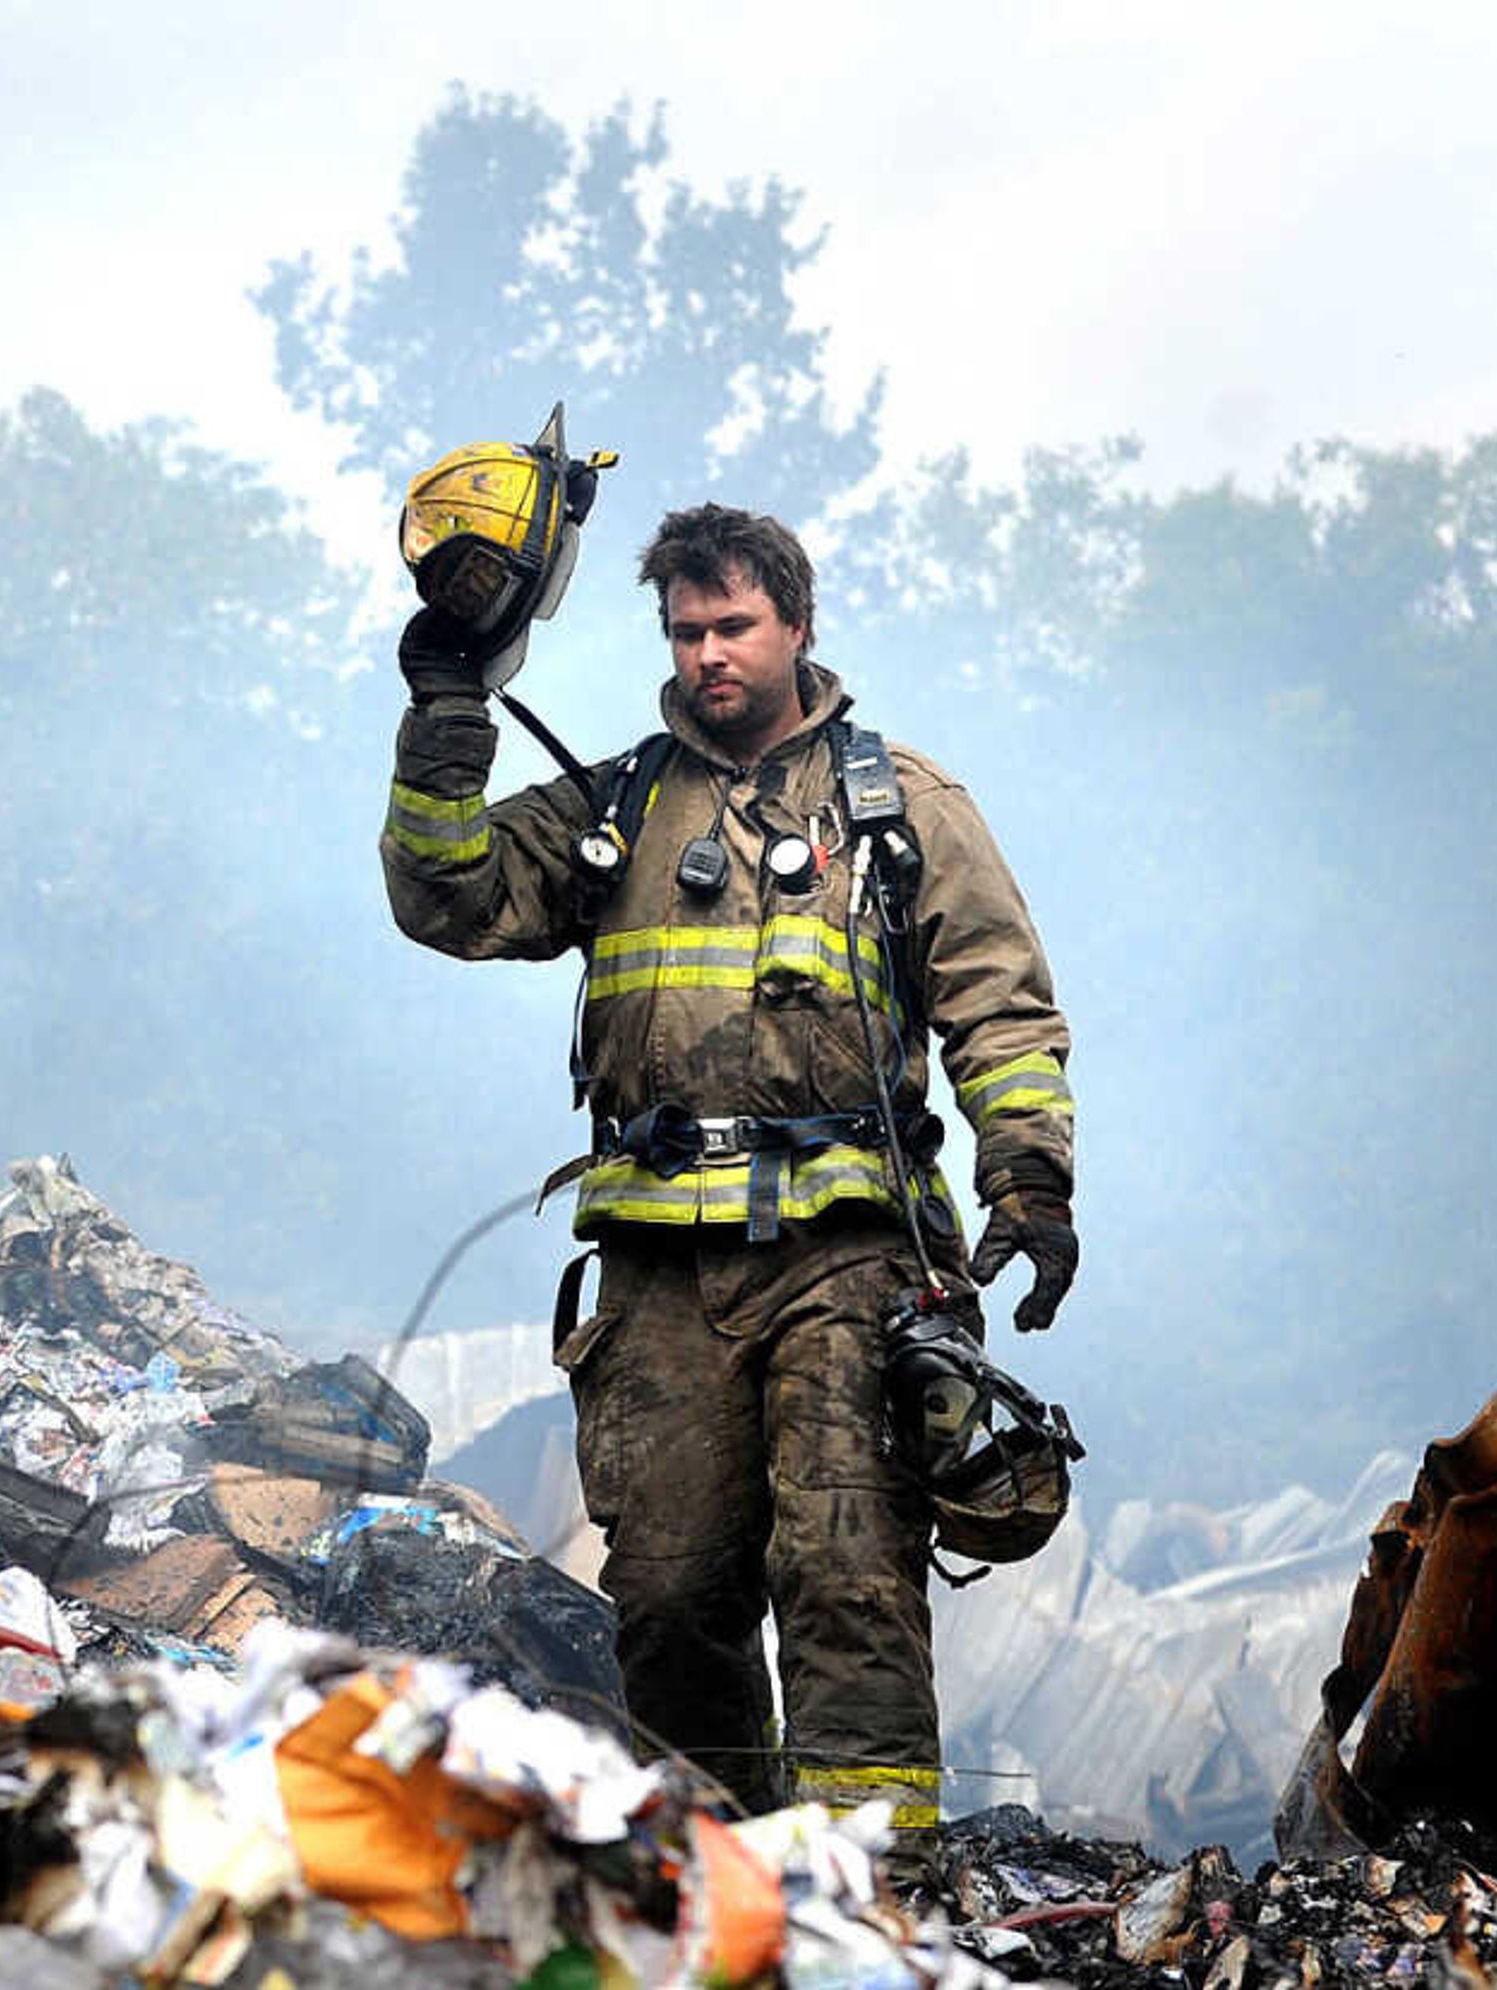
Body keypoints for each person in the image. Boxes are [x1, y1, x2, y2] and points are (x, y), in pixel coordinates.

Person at [377, 496, 1078, 1850]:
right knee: (670, 1594)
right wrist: (450, 714)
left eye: (733, 625)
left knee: (846, 1574)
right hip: (658, 1265)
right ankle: (725, 1886)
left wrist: (1030, 1180)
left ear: (798, 624)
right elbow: (445, 890)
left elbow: (1000, 1005)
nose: (707, 653)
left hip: (852, 1253)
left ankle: (874, 1892)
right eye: (685, 629)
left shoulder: (898, 804)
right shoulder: (619, 803)